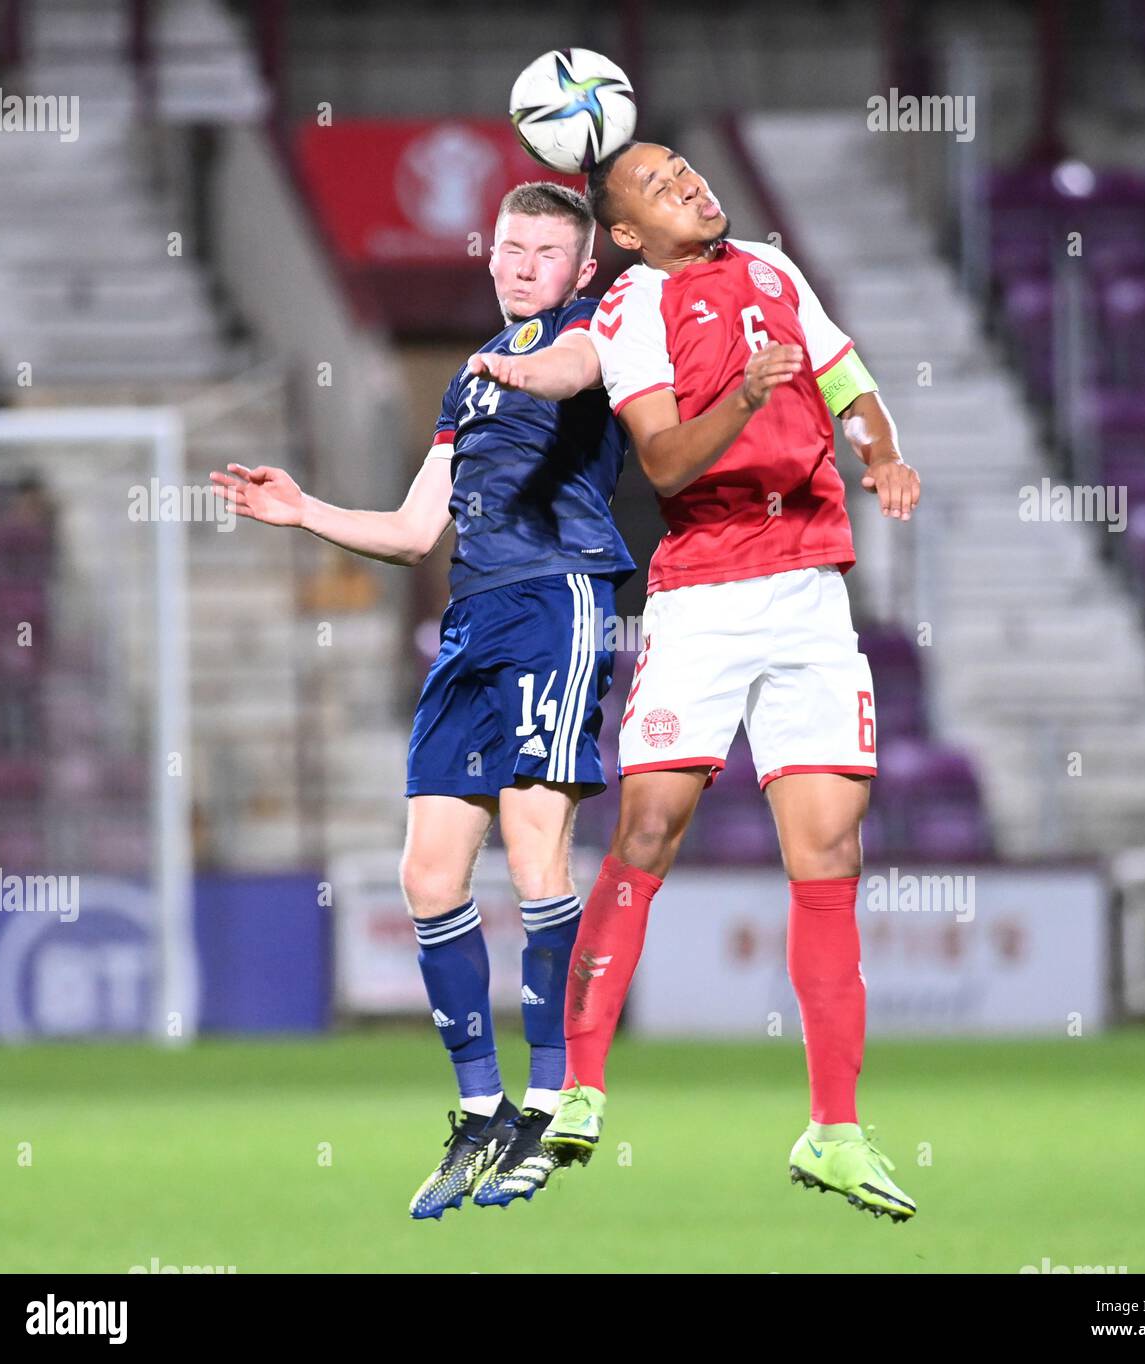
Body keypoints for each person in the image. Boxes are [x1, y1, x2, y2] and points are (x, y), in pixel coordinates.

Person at [468, 142, 921, 1221]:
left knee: (830, 855)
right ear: (624, 232)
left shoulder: (773, 264)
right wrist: (751, 396)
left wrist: (879, 450)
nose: (690, 185)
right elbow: (666, 463)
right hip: (705, 594)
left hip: (811, 592)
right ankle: (579, 1087)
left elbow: (848, 379)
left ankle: (835, 1130)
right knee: (650, 829)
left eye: (686, 170)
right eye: (661, 186)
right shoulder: (629, 308)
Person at [211, 182, 634, 1218]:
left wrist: (524, 361)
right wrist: (304, 507)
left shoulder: (595, 333)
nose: (523, 261)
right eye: (510, 245)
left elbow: (576, 369)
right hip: (470, 620)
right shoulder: (466, 380)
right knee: (428, 872)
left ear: (581, 271)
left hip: (556, 600)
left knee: (538, 853)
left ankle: (553, 1099)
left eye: (546, 250)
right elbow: (412, 531)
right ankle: (482, 1108)